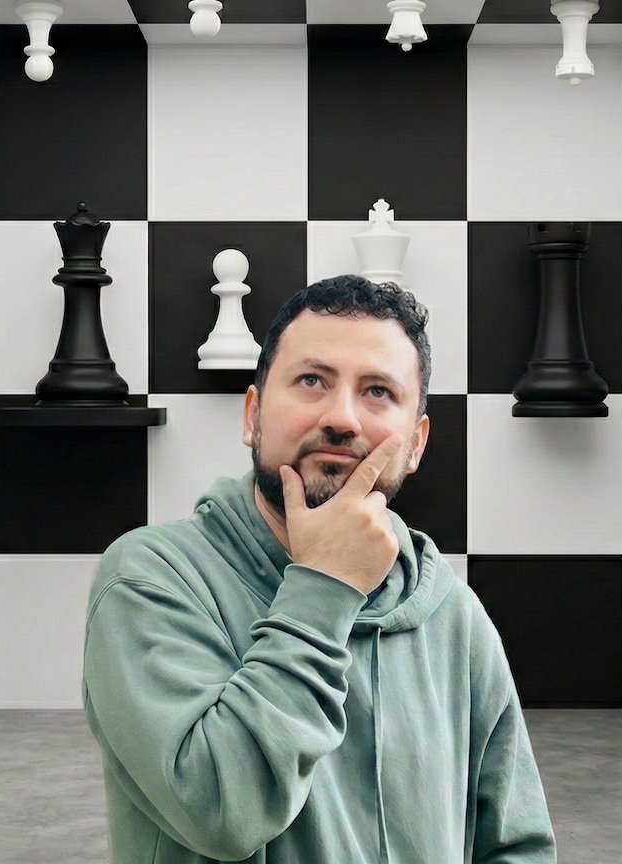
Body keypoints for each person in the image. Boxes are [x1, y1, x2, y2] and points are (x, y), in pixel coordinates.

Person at [82, 274, 557, 863]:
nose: (342, 419)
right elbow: (222, 812)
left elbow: (516, 846)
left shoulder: (453, 613)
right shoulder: (150, 578)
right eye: (312, 381)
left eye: (379, 391)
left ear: (416, 443)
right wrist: (326, 586)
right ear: (253, 414)